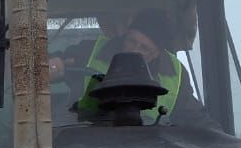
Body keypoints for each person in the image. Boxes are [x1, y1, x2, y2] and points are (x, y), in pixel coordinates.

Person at [71, 8, 206, 124]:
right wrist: (56, 66)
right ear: (126, 35)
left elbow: (194, 118)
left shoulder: (176, 74)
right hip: (89, 142)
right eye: (132, 40)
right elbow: (58, 61)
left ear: (156, 54)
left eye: (144, 47)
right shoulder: (90, 51)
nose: (134, 49)